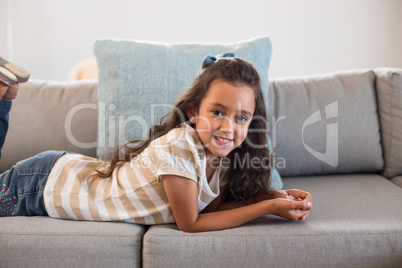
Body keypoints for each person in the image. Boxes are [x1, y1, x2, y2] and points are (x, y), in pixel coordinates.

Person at [0, 54, 312, 232]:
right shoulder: (179, 147)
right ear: (193, 112)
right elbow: (190, 223)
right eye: (217, 112)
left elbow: (211, 209)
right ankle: (4, 99)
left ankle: (6, 94)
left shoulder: (225, 157)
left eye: (241, 118)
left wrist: (273, 196)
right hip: (45, 183)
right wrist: (267, 206)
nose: (228, 127)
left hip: (64, 174)